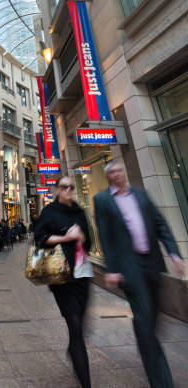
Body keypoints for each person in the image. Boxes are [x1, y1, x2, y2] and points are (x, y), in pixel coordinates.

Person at [94, 160, 185, 388]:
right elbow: (105, 235)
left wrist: (174, 253)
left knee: (151, 318)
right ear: (108, 177)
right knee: (145, 316)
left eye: (119, 170)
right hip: (129, 267)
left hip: (152, 263)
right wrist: (112, 268)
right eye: (111, 171)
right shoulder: (102, 200)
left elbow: (160, 224)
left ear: (124, 173)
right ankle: (161, 381)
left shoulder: (142, 195)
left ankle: (144, 339)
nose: (116, 174)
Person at [35, 175, 92, 388]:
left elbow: (89, 241)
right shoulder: (49, 212)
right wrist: (66, 237)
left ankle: (73, 348)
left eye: (71, 187)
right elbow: (39, 238)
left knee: (80, 321)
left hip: (83, 273)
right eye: (64, 187)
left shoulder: (79, 211)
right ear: (57, 190)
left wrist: (82, 238)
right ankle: (86, 381)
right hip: (61, 277)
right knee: (75, 326)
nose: (68, 190)